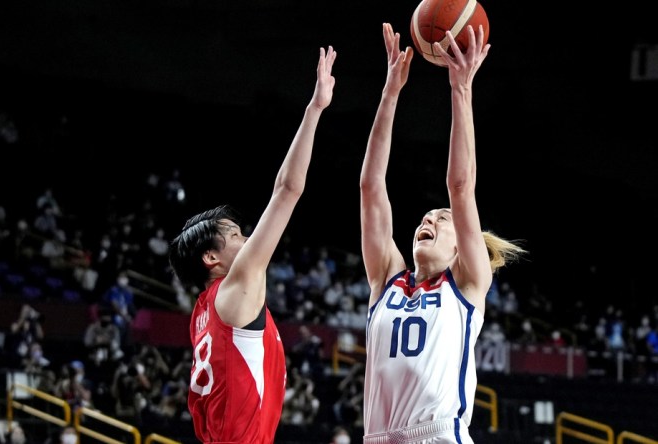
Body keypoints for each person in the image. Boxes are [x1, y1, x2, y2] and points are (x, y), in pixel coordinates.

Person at [359, 24, 526, 443]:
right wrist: (390, 93)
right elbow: (370, 187)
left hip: (438, 435)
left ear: (460, 248)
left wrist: (461, 89)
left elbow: (460, 186)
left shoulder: (467, 286)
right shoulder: (386, 280)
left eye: (441, 219)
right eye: (425, 218)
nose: (427, 221)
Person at [167, 45, 337, 444]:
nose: (247, 239)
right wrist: (315, 108)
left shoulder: (202, 314)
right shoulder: (237, 284)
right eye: (235, 234)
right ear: (211, 257)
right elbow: (288, 189)